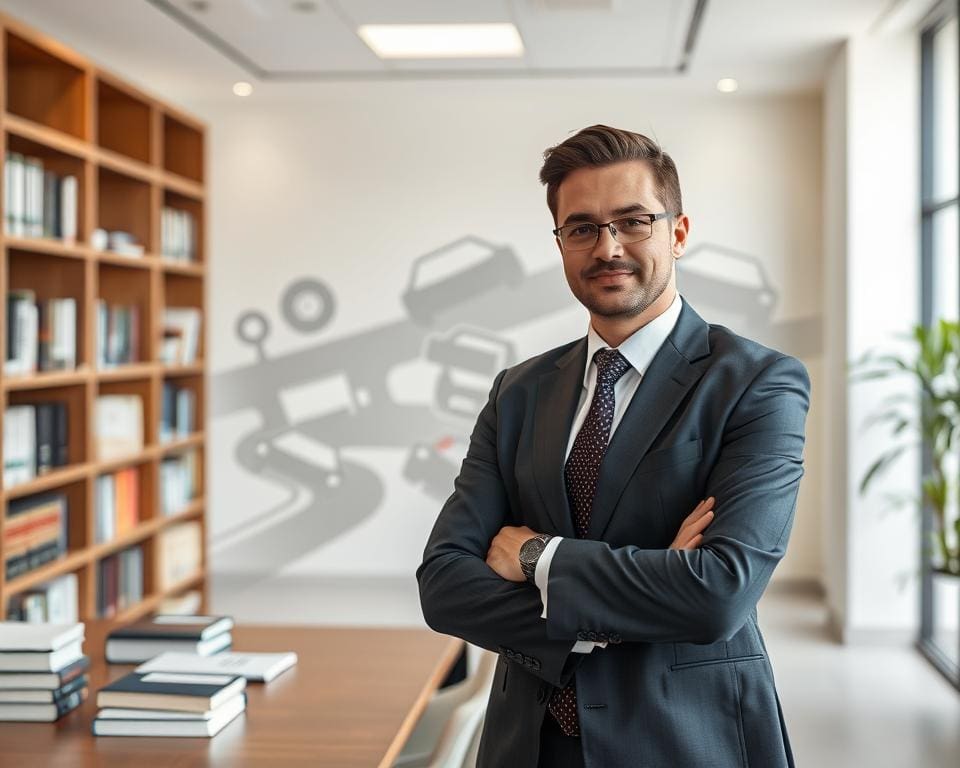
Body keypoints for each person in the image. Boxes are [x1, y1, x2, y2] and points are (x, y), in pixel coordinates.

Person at [417, 124, 809, 768]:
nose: (608, 248)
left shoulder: (756, 382)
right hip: (529, 743)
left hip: (684, 736)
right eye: (582, 228)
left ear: (677, 233)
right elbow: (445, 585)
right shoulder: (518, 390)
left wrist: (539, 556)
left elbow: (717, 593)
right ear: (561, 243)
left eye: (633, 221)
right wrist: (635, 600)